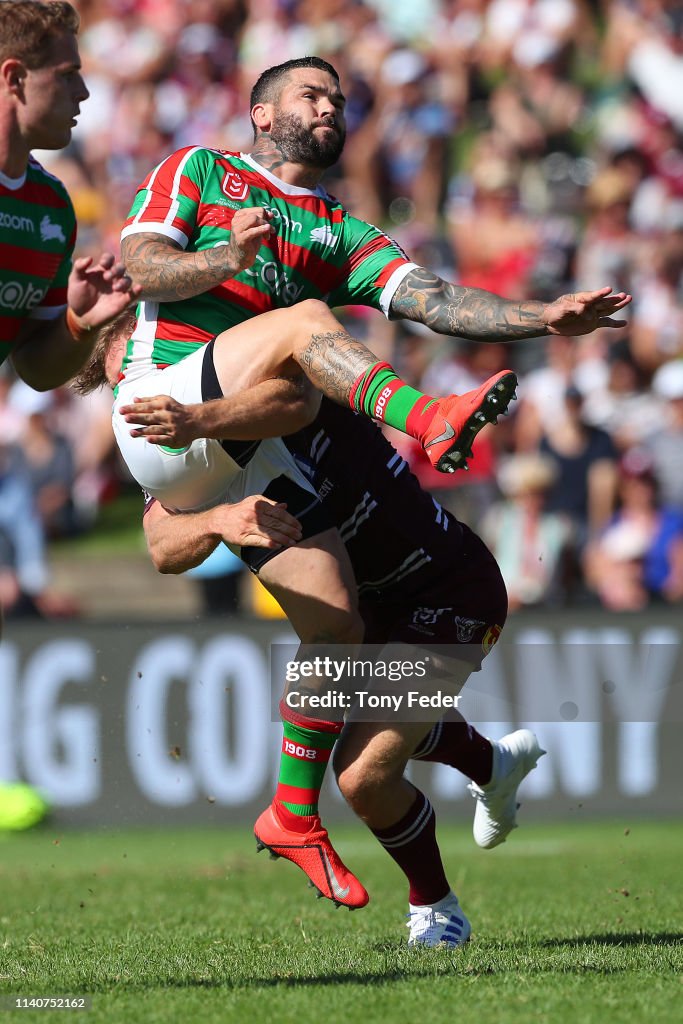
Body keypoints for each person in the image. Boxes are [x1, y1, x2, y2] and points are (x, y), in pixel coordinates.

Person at [85, 311, 548, 948]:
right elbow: (162, 545)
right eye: (121, 393)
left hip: (444, 585)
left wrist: (196, 418)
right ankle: (487, 765)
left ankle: (434, 907)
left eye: (145, 378)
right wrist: (219, 519)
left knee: (360, 776)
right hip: (368, 609)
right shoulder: (192, 464)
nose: (138, 402)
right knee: (362, 731)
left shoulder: (265, 386)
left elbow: (297, 394)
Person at [0, 0, 141, 635]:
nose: (85, 92)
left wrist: (81, 324)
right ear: (13, 77)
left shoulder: (51, 205)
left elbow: (35, 367)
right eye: (67, 74)